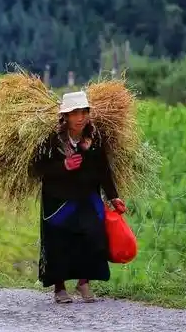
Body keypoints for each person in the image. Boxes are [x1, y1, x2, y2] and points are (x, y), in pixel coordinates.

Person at [30, 91, 126, 304]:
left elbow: (104, 171)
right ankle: (60, 287)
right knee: (59, 241)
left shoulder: (95, 139)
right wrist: (63, 166)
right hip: (58, 201)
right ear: (65, 116)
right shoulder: (52, 141)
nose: (80, 117)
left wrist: (113, 197)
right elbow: (37, 168)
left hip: (87, 197)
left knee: (92, 236)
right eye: (75, 113)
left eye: (84, 112)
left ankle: (84, 282)